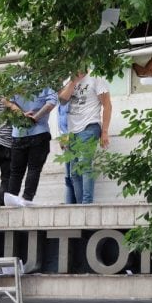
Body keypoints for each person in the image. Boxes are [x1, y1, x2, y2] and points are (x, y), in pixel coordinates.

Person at [58, 71, 112, 204]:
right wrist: (74, 81)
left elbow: (107, 105)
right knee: (74, 173)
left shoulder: (96, 77)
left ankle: (87, 204)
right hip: (71, 132)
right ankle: (80, 206)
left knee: (84, 165)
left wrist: (104, 131)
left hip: (89, 126)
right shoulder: (68, 80)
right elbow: (62, 103)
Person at [4, 88, 57, 204]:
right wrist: (35, 118)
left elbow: (7, 102)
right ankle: (27, 199)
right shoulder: (46, 81)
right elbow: (51, 103)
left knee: (16, 171)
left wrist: (22, 116)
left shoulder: (14, 79)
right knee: (34, 169)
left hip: (18, 133)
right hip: (39, 131)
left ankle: (11, 200)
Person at [57, 102, 76, 204]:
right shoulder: (61, 101)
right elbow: (61, 119)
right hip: (66, 139)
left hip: (76, 137)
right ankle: (69, 204)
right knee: (68, 176)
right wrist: (62, 137)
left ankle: (77, 203)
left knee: (75, 175)